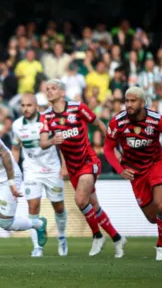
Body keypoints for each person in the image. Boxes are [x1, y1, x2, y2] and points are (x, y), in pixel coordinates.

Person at [103, 86, 162, 261]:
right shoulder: (117, 122)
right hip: (134, 172)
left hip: (155, 164)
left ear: (143, 103)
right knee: (154, 218)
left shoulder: (157, 120)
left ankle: (161, 248)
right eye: (127, 101)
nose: (128, 105)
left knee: (161, 206)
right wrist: (120, 170)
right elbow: (108, 149)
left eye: (133, 101)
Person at [39, 79, 126, 258]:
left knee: (80, 200)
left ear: (62, 92)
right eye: (47, 89)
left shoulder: (78, 108)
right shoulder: (46, 116)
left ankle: (97, 236)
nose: (49, 92)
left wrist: (114, 148)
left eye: (53, 88)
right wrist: (51, 142)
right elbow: (42, 143)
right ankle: (117, 238)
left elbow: (100, 125)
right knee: (93, 205)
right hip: (73, 169)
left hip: (89, 161)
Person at [11, 93, 68, 257]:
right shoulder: (16, 125)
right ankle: (37, 247)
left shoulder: (48, 120)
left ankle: (62, 236)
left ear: (36, 106)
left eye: (29, 105)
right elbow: (15, 149)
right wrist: (14, 173)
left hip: (52, 169)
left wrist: (64, 166)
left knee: (59, 207)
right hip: (31, 171)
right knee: (33, 207)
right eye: (23, 105)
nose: (25, 109)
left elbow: (60, 143)